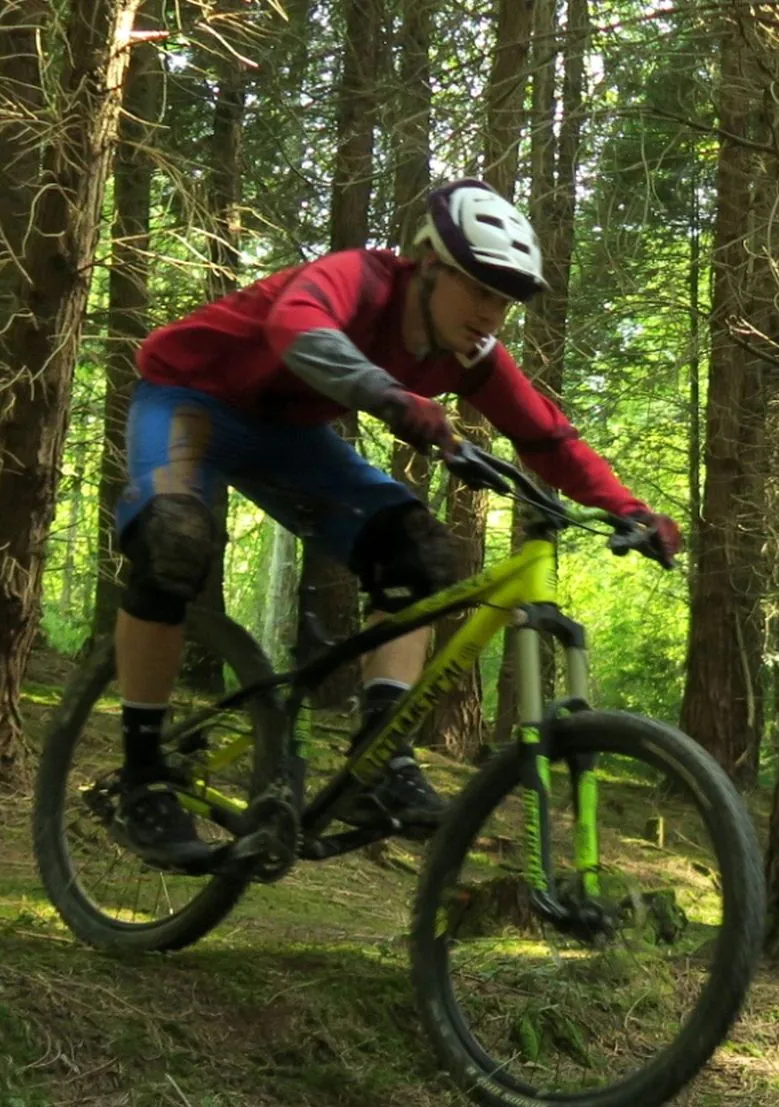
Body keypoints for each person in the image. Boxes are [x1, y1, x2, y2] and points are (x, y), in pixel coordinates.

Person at [112, 178, 680, 871]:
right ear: (430, 266)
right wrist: (389, 394)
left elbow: (547, 438)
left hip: (287, 436)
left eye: (502, 300)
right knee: (173, 544)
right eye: (478, 290)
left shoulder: (468, 354)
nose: (490, 315)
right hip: (190, 396)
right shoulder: (361, 278)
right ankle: (140, 774)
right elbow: (296, 326)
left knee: (418, 553)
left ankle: (380, 755)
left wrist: (630, 509)